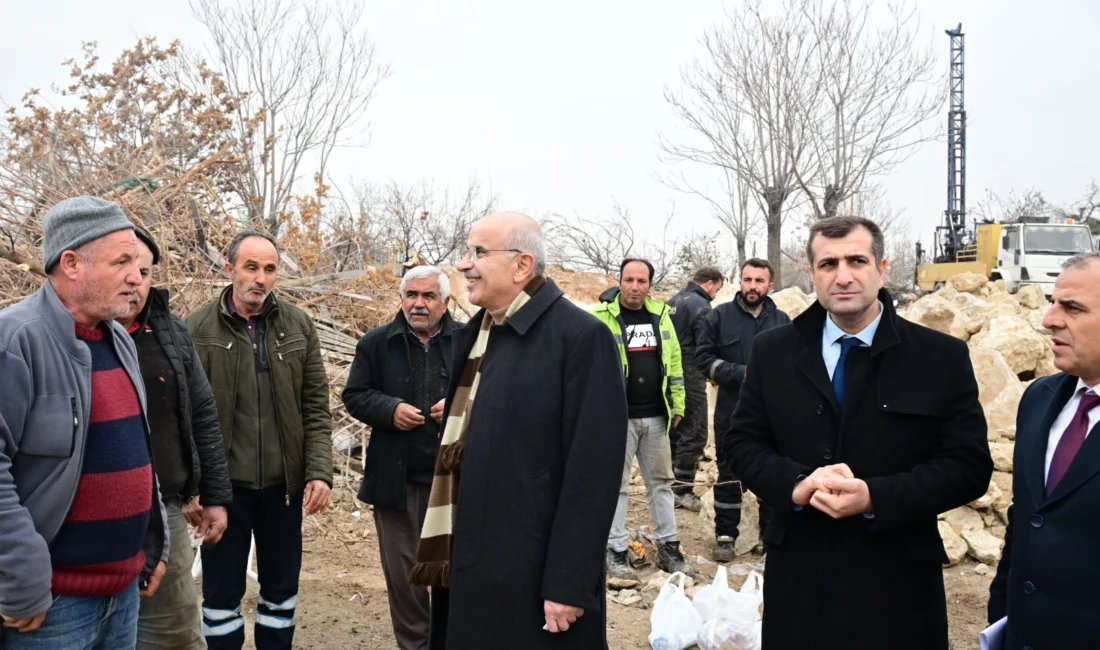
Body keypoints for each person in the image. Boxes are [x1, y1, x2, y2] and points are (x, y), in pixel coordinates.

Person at [725, 215, 992, 649]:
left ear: (882, 269)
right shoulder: (773, 352)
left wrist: (876, 496)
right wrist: (796, 484)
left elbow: (968, 466)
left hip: (897, 583)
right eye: (828, 264)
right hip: (800, 578)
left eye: (857, 261)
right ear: (811, 274)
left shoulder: (939, 358)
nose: (843, 276)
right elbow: (742, 443)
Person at [409, 212, 627, 649]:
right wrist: (444, 555)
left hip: (531, 576)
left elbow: (593, 475)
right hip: (473, 565)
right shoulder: (480, 334)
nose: (465, 264)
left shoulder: (581, 338)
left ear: (522, 266)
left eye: (478, 253)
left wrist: (568, 582)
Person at [0, 196, 169, 649]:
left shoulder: (118, 339)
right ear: (71, 263)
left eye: (138, 263)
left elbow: (136, 452)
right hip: (51, 605)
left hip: (124, 594)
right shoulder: (16, 340)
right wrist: (22, 579)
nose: (137, 276)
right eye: (122, 261)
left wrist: (153, 547)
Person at [186, 230, 334, 650]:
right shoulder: (196, 328)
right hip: (223, 491)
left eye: (270, 269)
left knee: (281, 593)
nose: (261, 278)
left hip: (282, 491)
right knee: (219, 597)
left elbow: (315, 406)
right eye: (251, 267)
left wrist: (319, 472)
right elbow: (184, 417)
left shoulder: (298, 325)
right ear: (229, 268)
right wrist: (194, 487)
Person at [117, 226, 233, 649]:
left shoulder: (170, 332)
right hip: (84, 517)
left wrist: (213, 495)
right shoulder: (63, 335)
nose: (135, 281)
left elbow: (202, 414)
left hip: (163, 508)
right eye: (124, 267)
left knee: (174, 634)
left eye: (145, 272)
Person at [989, 252, 1100, 648]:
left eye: (1072, 307)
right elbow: (1026, 523)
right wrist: (1001, 618)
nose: (1049, 319)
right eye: (1053, 303)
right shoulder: (1038, 398)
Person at [342, 265, 456, 650]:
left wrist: (459, 408)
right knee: (405, 575)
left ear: (446, 302)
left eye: (428, 296)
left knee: (452, 571)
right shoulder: (377, 343)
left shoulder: (469, 342)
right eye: (412, 295)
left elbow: (492, 395)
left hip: (455, 482)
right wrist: (389, 410)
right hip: (396, 481)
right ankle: (415, 646)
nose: (418, 304)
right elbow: (355, 395)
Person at [592, 259, 694, 581]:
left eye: (642, 280)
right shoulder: (599, 319)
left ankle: (668, 548)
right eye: (629, 280)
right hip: (617, 419)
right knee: (617, 486)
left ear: (650, 284)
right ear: (619, 281)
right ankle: (616, 550)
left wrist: (678, 405)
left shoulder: (661, 317)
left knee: (661, 484)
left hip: (655, 417)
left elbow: (674, 363)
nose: (635, 286)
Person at [695, 259, 791, 561]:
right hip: (731, 411)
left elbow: (796, 362)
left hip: (773, 414)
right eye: (747, 280)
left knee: (771, 472)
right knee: (729, 472)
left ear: (770, 286)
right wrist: (743, 374)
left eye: (759, 281)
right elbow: (704, 358)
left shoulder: (783, 320)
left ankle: (769, 536)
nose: (752, 286)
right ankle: (726, 536)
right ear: (741, 282)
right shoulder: (720, 316)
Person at [666, 267, 724, 513]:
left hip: (667, 375)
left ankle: (667, 485)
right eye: (717, 289)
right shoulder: (701, 306)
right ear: (710, 283)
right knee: (696, 432)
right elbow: (705, 345)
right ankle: (681, 490)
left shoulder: (671, 301)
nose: (715, 294)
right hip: (690, 374)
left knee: (674, 430)